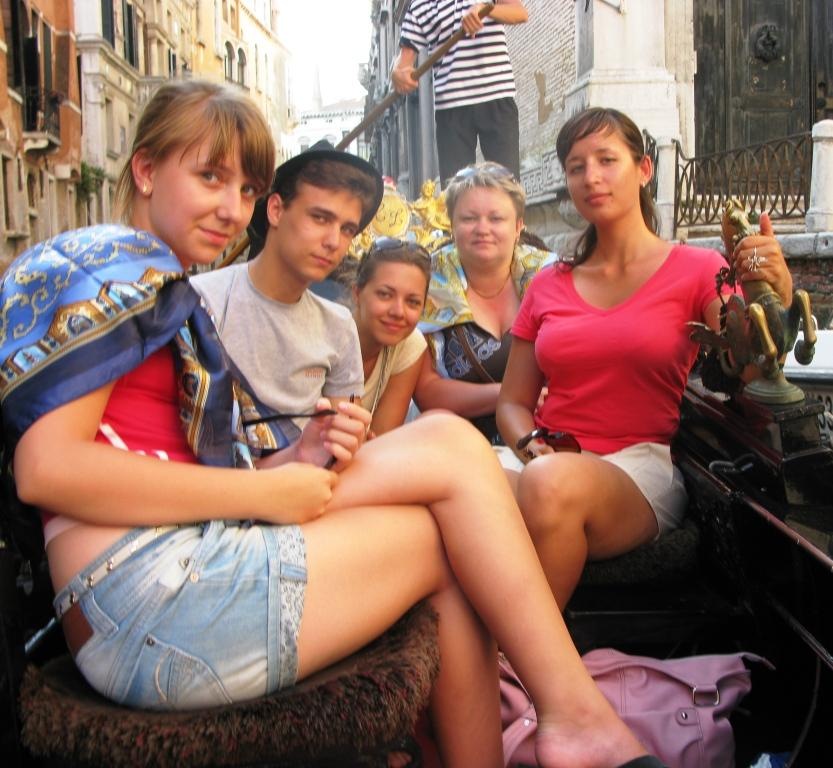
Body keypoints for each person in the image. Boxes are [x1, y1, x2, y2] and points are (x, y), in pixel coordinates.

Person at [0, 80, 667, 768]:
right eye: (210, 178)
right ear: (145, 170)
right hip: (145, 605)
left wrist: (289, 462)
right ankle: (570, 717)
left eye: (246, 189)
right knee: (445, 522)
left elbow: (161, 461)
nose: (232, 209)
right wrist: (262, 491)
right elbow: (45, 470)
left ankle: (561, 719)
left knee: (446, 451)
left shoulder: (161, 282)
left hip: (157, 584)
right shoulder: (104, 260)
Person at [496, 107, 795, 610]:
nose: (591, 177)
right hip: (543, 457)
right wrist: (530, 447)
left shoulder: (698, 268)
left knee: (548, 484)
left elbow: (750, 363)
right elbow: (512, 402)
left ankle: (528, 652)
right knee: (446, 461)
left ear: (643, 169)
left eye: (606, 160)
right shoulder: (548, 282)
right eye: (576, 167)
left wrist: (774, 294)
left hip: (635, 470)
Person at [191, 139, 384, 439]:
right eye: (320, 218)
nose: (334, 242)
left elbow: (340, 440)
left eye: (347, 229)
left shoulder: (338, 325)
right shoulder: (201, 301)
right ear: (276, 210)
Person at [415, 162, 553, 470]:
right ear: (451, 224)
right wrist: (513, 396)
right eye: (469, 218)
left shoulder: (553, 276)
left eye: (496, 218)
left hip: (547, 441)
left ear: (518, 226)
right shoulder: (424, 283)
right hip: (459, 450)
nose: (482, 229)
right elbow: (428, 393)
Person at [391, 0, 528, 183]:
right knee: (454, 189)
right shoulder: (419, 6)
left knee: (507, 186)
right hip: (450, 106)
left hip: (496, 95)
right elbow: (403, 62)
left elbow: (519, 13)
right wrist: (397, 73)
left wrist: (486, 10)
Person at [351, 238, 429, 436]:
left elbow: (382, 437)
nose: (398, 312)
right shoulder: (324, 336)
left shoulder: (410, 344)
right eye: (385, 295)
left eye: (412, 302)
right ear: (357, 293)